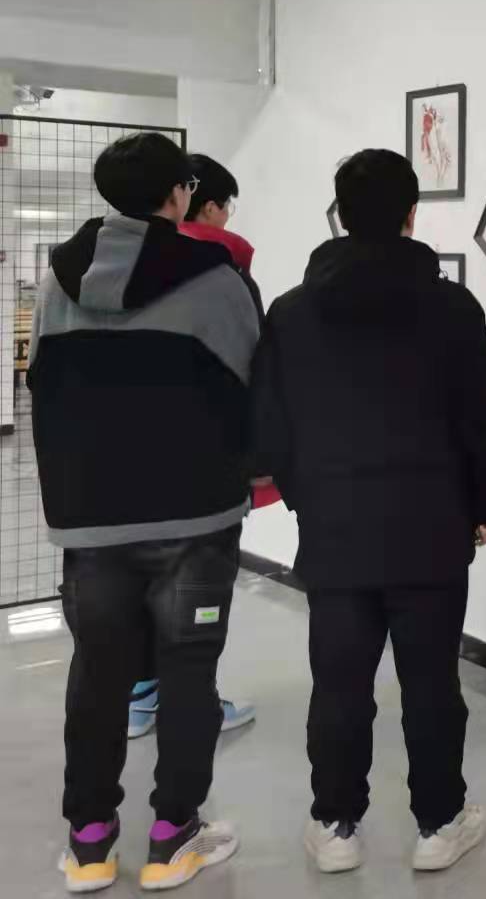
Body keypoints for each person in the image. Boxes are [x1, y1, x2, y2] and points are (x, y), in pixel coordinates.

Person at [250, 149, 486, 876]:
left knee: (339, 684)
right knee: (432, 685)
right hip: (433, 526)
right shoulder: (453, 308)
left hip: (335, 527)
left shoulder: (292, 312)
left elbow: (271, 427)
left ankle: (335, 824)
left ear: (339, 213)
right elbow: (480, 418)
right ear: (411, 215)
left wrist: (306, 494)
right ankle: (439, 823)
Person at [30, 132, 255, 892]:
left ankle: (89, 843)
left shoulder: (57, 281)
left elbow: (43, 386)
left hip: (91, 517)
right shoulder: (216, 281)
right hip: (195, 517)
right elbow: (249, 385)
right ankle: (172, 837)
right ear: (180, 193)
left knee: (98, 676)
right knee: (189, 676)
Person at [127, 154, 260, 742]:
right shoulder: (224, 273)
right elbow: (252, 371)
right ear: (204, 205)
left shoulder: (105, 265)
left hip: (120, 462)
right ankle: (194, 706)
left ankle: (139, 699)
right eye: (226, 206)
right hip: (202, 466)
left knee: (139, 583)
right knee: (198, 592)